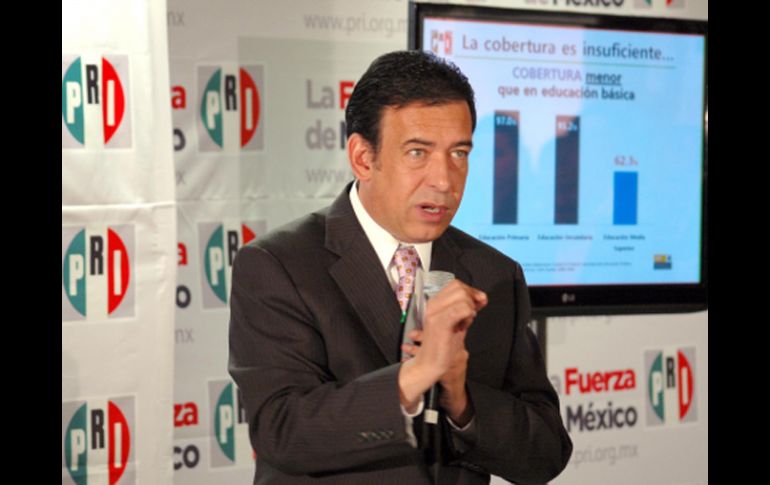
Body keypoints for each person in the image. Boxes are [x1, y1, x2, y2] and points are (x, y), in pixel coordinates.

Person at [228, 50, 572, 484]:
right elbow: (285, 432)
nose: (444, 180)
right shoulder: (278, 265)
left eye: (459, 153)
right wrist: (416, 376)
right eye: (417, 152)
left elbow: (545, 454)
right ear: (363, 158)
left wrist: (461, 400)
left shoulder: (494, 274)